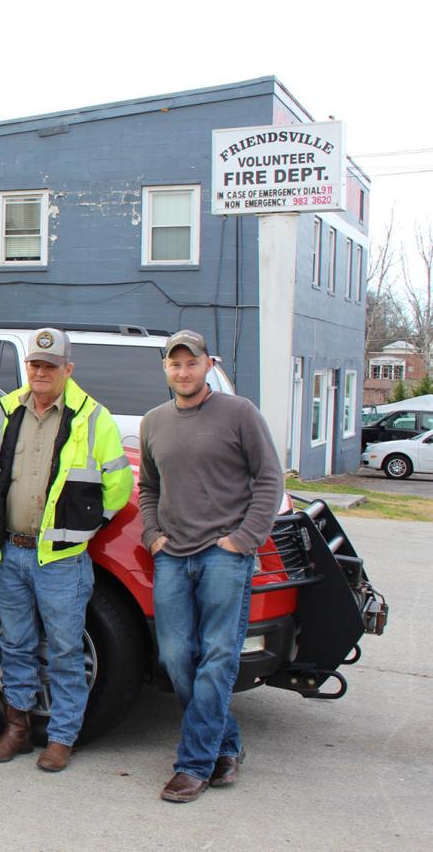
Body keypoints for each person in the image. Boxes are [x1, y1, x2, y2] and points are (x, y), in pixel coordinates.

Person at [0, 327, 132, 772]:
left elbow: (118, 485)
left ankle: (62, 737)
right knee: (17, 644)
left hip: (60, 560)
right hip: (10, 553)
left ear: (68, 369)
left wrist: (85, 528)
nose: (40, 373)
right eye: (34, 365)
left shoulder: (92, 417)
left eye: (50, 365)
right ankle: (17, 729)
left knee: (64, 650)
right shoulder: (8, 410)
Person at [139, 330, 283, 803]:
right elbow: (149, 489)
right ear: (165, 369)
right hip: (173, 557)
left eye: (191, 363)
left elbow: (269, 479)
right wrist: (152, 536)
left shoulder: (239, 413)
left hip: (225, 556)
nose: (183, 372)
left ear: (208, 364)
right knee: (178, 657)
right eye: (175, 364)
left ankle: (194, 765)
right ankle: (228, 744)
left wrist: (243, 540)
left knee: (219, 657)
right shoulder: (153, 422)